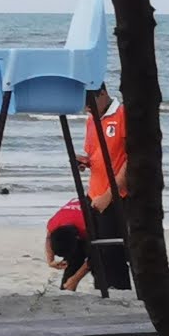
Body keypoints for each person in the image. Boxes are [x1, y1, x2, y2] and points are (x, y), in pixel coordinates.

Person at [81, 86, 131, 291]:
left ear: (102, 93)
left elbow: (131, 160)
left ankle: (121, 292)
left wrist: (108, 196)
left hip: (118, 195)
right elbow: (97, 155)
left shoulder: (123, 115)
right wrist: (84, 161)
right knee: (96, 252)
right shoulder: (92, 118)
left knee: (114, 253)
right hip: (94, 193)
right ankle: (101, 292)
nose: (88, 110)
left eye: (90, 104)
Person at [44, 198, 91, 291]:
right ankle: (67, 288)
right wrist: (50, 260)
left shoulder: (88, 225)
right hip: (74, 223)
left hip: (100, 214)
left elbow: (97, 256)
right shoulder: (53, 224)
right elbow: (48, 237)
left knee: (100, 264)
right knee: (72, 262)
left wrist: (76, 279)